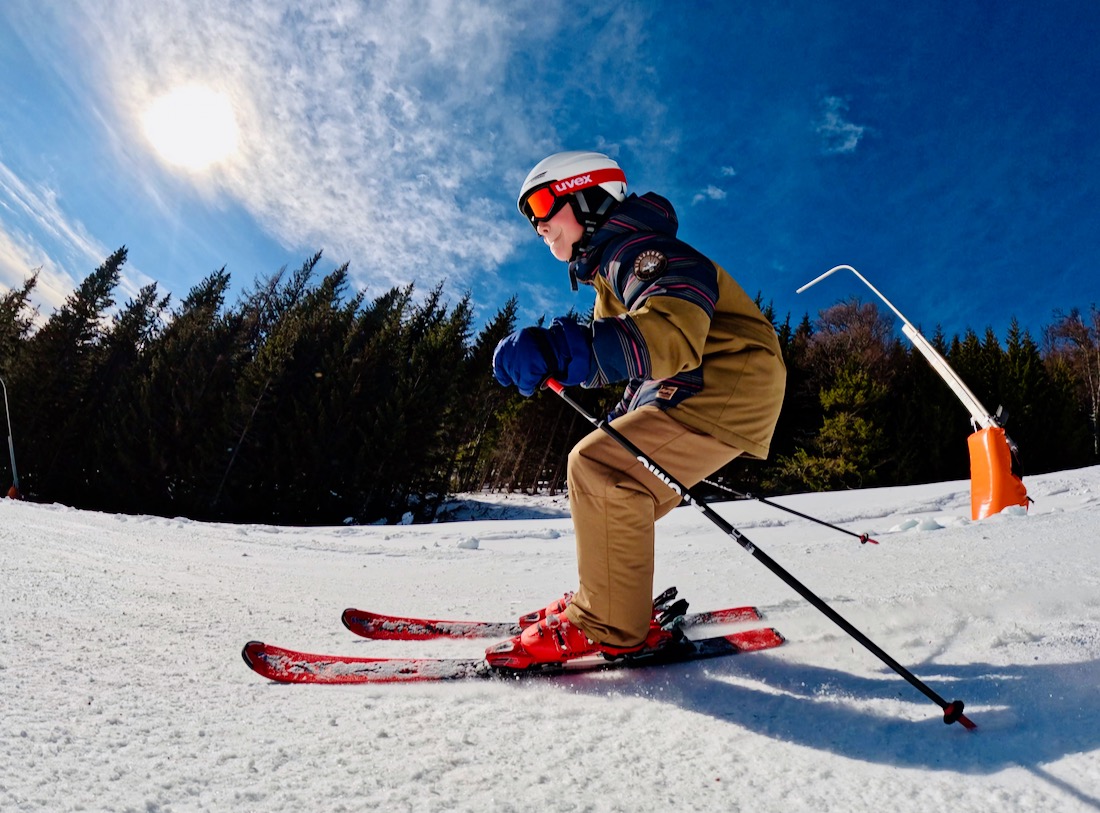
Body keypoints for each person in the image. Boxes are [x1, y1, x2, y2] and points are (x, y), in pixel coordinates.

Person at [488, 150, 786, 669]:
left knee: (598, 466)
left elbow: (669, 337)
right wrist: (621, 415)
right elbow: (644, 366)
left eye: (541, 204)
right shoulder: (610, 277)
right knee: (613, 474)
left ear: (589, 196)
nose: (538, 225)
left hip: (727, 383)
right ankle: (609, 602)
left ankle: (609, 623)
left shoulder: (643, 252)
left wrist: (560, 349)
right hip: (704, 386)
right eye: (529, 217)